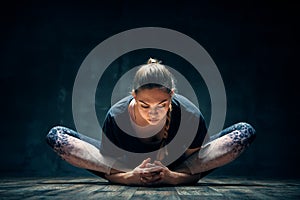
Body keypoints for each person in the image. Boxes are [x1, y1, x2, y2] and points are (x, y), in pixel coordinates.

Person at [46, 58, 256, 186]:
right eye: (145, 105)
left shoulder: (190, 115)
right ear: (134, 96)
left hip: (177, 167)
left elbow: (197, 166)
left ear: (172, 96)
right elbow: (108, 165)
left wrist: (172, 177)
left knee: (243, 131)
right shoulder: (116, 116)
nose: (153, 113)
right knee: (57, 135)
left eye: (162, 104)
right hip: (127, 167)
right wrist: (131, 177)